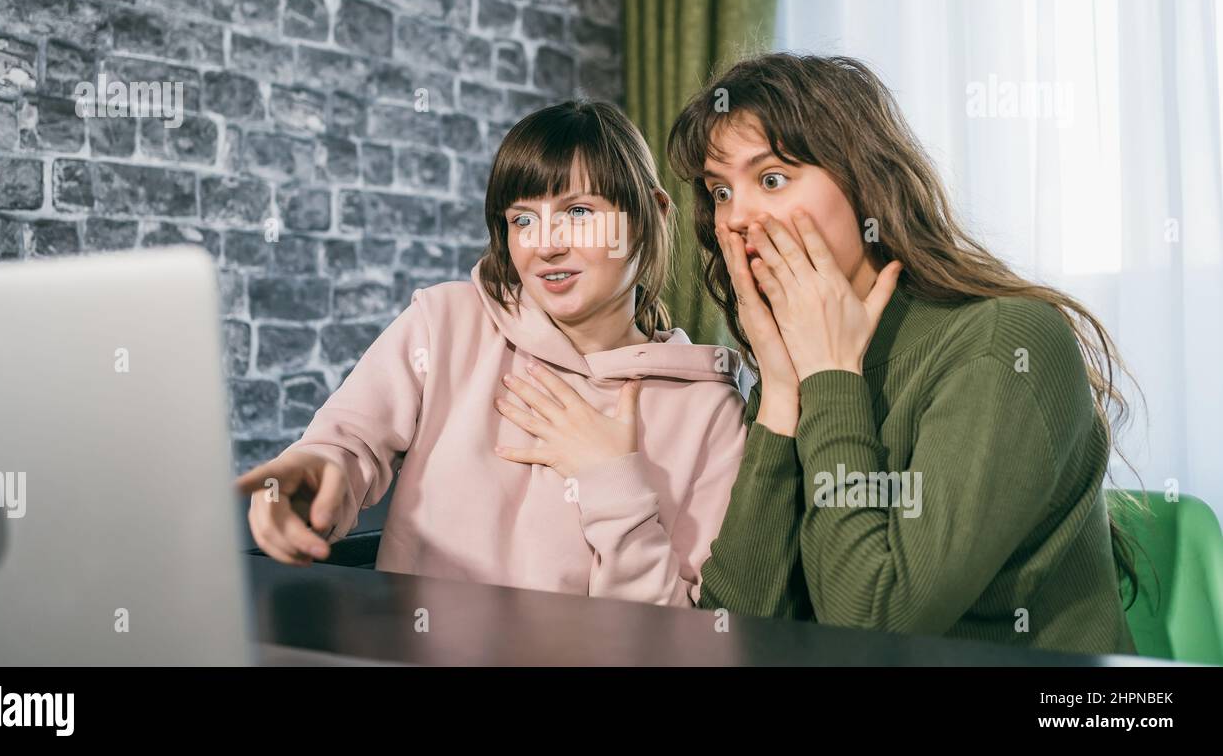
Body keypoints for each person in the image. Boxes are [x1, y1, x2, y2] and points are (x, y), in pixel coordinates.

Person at [667, 52, 1141, 654]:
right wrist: (783, 394)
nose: (736, 218)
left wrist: (831, 377)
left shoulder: (1005, 345)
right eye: (719, 192)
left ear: (862, 180)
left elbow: (871, 623)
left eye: (771, 179)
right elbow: (730, 630)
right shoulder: (796, 365)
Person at [236, 100, 747, 606]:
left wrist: (611, 481)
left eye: (578, 211)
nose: (544, 246)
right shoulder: (445, 324)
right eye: (522, 219)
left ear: (651, 215)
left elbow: (679, 636)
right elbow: (346, 446)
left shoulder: (710, 413)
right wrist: (310, 477)